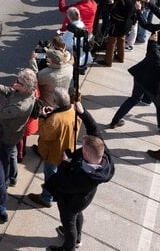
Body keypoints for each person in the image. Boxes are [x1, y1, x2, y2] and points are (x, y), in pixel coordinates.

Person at [44, 100, 115, 251]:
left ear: (88, 153)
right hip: (83, 198)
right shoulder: (103, 154)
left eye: (83, 148)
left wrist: (64, 163)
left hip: (72, 200)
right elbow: (94, 129)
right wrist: (83, 113)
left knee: (68, 220)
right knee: (77, 214)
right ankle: (78, 238)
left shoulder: (84, 176)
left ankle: (69, 246)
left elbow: (64, 184)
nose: (81, 149)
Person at [26, 88, 77, 209]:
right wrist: (53, 112)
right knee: (58, 174)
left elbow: (44, 134)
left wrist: (43, 117)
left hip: (53, 153)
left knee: (50, 175)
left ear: (55, 101)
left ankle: (46, 198)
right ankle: (54, 193)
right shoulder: (73, 110)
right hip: (67, 149)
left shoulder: (55, 120)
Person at [0, 68, 38, 187]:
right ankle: (13, 178)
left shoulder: (20, 106)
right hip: (15, 133)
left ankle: (4, 182)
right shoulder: (25, 92)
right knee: (12, 154)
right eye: (17, 80)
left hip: (8, 134)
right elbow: (11, 91)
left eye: (19, 83)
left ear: (26, 87)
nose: (15, 83)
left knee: (4, 159)